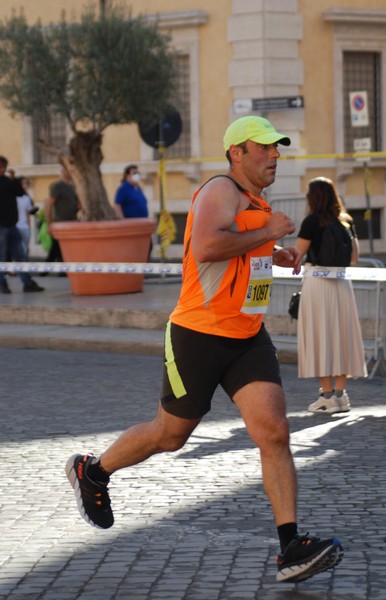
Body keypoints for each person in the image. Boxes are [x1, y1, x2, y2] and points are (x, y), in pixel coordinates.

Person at [66, 116, 343, 583]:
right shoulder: (220, 189)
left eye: (278, 148)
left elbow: (238, 247)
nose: (275, 155)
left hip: (247, 336)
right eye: (265, 148)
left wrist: (272, 252)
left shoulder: (253, 199)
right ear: (237, 152)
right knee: (170, 435)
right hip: (199, 333)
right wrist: (269, 232)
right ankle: (93, 471)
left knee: (274, 431)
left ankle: (291, 546)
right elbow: (208, 246)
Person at [295, 177, 367, 413]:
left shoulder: (311, 221)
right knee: (341, 337)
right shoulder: (345, 221)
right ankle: (341, 395)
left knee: (320, 338)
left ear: (312, 197)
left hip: (317, 284)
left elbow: (297, 253)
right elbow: (354, 258)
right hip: (343, 285)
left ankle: (326, 397)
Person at [0, 156, 44, 294]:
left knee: (20, 255)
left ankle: (28, 282)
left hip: (12, 226)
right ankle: (2, 284)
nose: (1, 169)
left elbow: (20, 193)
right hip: (1, 227)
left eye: (3, 167)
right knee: (1, 257)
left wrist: (13, 179)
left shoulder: (7, 181)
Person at [45, 166, 80, 263]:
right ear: (62, 171)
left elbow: (76, 203)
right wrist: (49, 224)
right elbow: (49, 205)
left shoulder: (73, 186)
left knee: (58, 248)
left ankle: (47, 267)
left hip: (72, 221)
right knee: (58, 246)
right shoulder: (57, 186)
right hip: (60, 222)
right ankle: (58, 269)